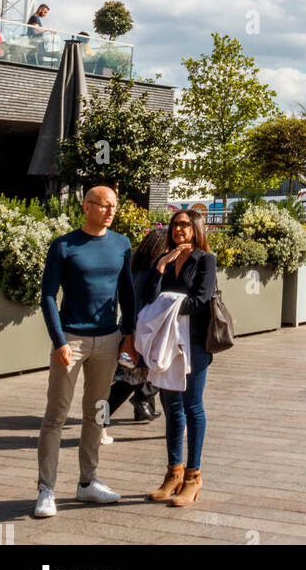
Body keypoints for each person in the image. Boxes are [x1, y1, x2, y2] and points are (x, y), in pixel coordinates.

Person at [34, 185, 137, 519]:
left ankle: (87, 481)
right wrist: (59, 340)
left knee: (97, 411)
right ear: (86, 206)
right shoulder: (63, 245)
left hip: (109, 340)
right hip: (71, 340)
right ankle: (46, 489)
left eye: (114, 206)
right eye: (104, 205)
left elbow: (127, 291)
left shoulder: (121, 244)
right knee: (56, 415)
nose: (110, 211)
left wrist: (130, 333)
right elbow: (48, 295)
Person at [141, 208, 217, 507]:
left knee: (192, 406)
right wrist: (160, 266)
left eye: (185, 225)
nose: (179, 230)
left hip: (194, 343)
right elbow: (148, 296)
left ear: (196, 228)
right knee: (171, 407)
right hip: (167, 343)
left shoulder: (205, 260)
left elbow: (200, 299)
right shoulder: (165, 259)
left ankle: (193, 477)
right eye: (175, 225)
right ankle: (172, 474)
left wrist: (167, 305)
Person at [101, 226, 169, 439]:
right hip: (143, 335)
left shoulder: (134, 268)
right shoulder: (154, 272)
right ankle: (98, 424)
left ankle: (102, 423)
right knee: (124, 384)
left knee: (126, 382)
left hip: (130, 331)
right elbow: (150, 301)